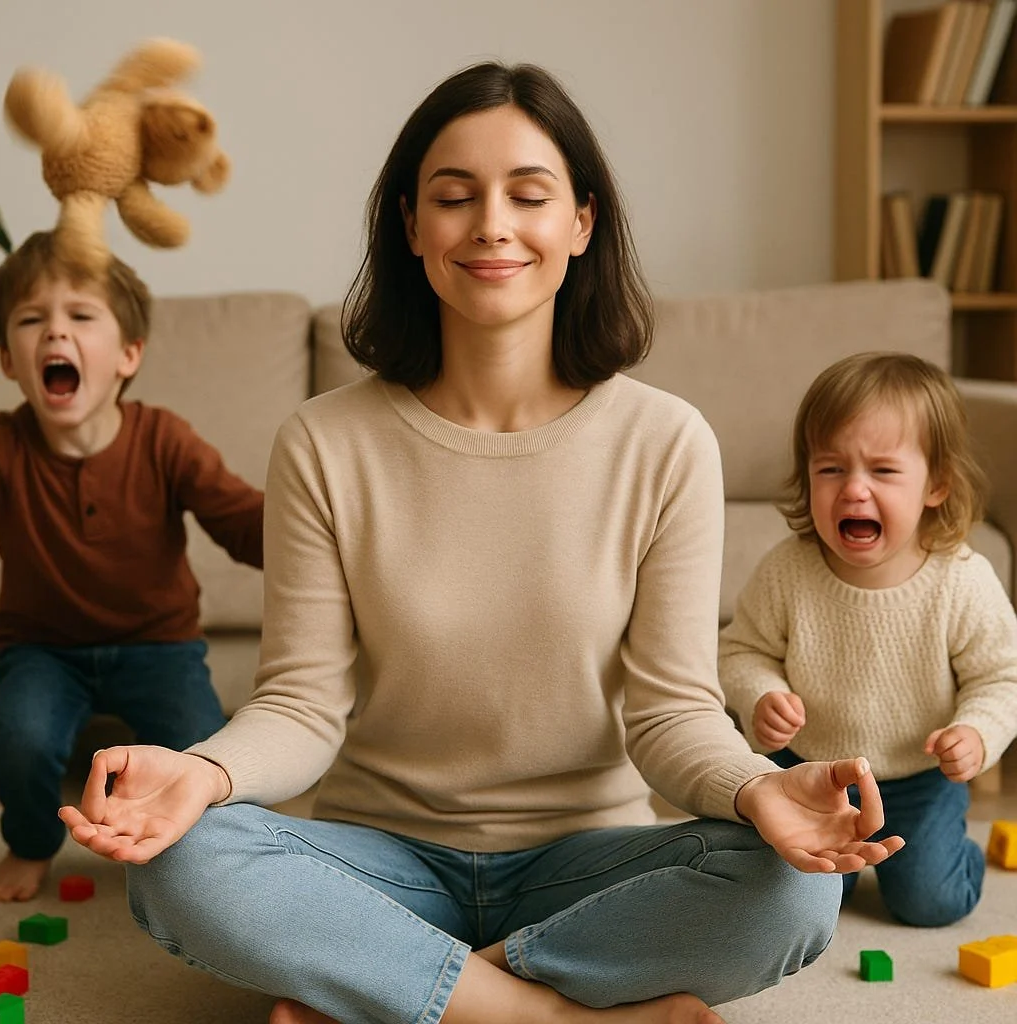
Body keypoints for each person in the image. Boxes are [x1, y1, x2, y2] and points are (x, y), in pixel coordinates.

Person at [60, 62, 903, 1024]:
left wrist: (762, 790)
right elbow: (299, 704)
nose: (492, 225)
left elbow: (672, 713)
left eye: (529, 196)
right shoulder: (324, 442)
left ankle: (392, 987)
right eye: (454, 197)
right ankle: (545, 1013)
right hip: (383, 858)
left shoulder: (666, 441)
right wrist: (204, 770)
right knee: (186, 863)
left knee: (793, 885)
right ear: (412, 229)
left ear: (582, 223)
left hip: (585, 864)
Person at [0, 231, 264, 901]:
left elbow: (240, 520)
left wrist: (310, 528)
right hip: (41, 650)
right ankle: (30, 842)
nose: (56, 332)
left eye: (81, 316)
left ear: (127, 354)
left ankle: (188, 848)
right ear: (7, 359)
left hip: (159, 646)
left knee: (202, 755)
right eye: (32, 320)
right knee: (19, 739)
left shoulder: (163, 438)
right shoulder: (2, 447)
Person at [719, 351, 1017, 928]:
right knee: (797, 891)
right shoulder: (789, 570)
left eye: (882, 471)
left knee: (931, 904)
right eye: (830, 469)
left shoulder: (960, 579)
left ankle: (959, 854)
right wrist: (762, 694)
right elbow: (742, 649)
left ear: (936, 485)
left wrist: (978, 733)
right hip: (811, 770)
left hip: (918, 778)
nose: (853, 490)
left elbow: (1001, 675)